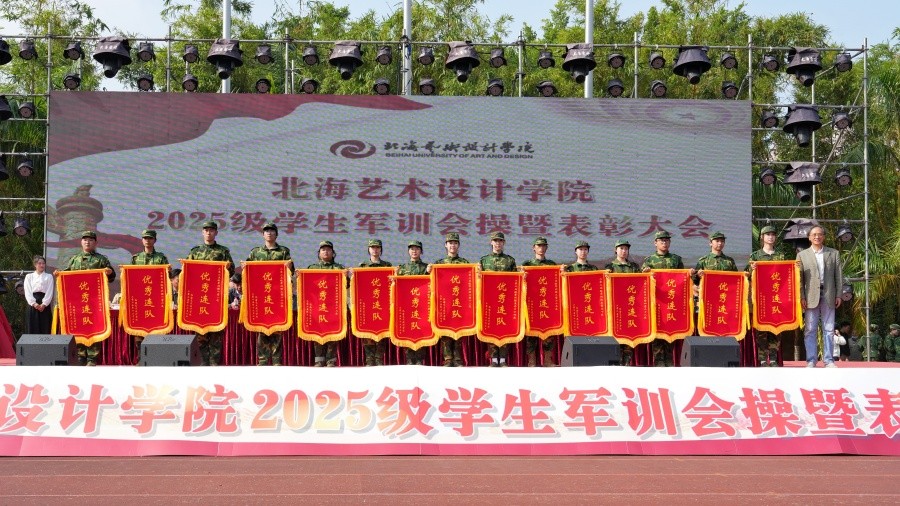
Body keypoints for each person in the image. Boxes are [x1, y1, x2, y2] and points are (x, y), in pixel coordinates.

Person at [58, 230, 115, 366]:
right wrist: (59, 274)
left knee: (94, 327)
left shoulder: (101, 260)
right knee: (79, 326)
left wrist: (110, 272)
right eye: (85, 240)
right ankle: (80, 355)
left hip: (95, 300)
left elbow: (111, 277)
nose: (87, 242)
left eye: (90, 240)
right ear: (81, 242)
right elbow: (67, 274)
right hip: (79, 301)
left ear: (95, 243)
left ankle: (92, 358)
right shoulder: (74, 259)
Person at [244, 222, 294, 366]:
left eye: (272, 231)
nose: (269, 233)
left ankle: (277, 360)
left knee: (277, 327)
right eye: (266, 231)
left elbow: (290, 273)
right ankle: (263, 359)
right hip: (261, 295)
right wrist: (245, 267)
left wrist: (289, 267)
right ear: (263, 235)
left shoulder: (283, 251)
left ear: (276, 234)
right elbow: (248, 272)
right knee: (262, 327)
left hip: (278, 295)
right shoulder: (255, 252)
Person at [186, 220, 235, 366]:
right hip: (200, 296)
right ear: (202, 232)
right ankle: (203, 362)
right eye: (206, 230)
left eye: (211, 230)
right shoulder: (195, 252)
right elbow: (188, 273)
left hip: (216, 296)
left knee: (216, 330)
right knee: (201, 330)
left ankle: (214, 363)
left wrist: (228, 267)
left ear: (216, 233)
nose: (209, 232)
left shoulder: (223, 251)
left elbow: (231, 271)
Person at [797, 225, 842, 368]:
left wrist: (839, 294)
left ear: (824, 237)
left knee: (829, 329)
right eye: (814, 234)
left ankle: (829, 360)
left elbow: (838, 276)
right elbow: (799, 279)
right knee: (810, 329)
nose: (817, 237)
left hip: (829, 294)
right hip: (810, 296)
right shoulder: (802, 255)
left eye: (820, 234)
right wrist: (801, 296)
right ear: (809, 238)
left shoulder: (833, 253)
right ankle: (811, 359)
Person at [641, 231, 687, 367]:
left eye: (666, 240)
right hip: (657, 303)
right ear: (655, 243)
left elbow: (682, 279)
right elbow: (642, 282)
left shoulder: (676, 260)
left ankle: (669, 364)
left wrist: (689, 275)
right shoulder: (649, 261)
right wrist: (645, 273)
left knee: (670, 333)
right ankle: (658, 365)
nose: (664, 243)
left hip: (672, 303)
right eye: (661, 241)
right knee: (657, 335)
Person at [747, 225, 788, 366]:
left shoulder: (780, 256)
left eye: (773, 234)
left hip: (777, 298)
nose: (770, 237)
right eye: (767, 234)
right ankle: (763, 359)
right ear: (762, 237)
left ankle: (774, 358)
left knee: (776, 328)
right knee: (762, 329)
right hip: (762, 298)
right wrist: (751, 269)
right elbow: (748, 277)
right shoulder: (755, 256)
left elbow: (786, 276)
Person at [429, 232, 469, 367]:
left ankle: (457, 359)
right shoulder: (439, 264)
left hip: (459, 301)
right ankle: (447, 358)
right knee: (445, 331)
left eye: (455, 243)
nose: (453, 245)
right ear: (446, 245)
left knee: (458, 330)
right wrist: (429, 271)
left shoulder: (464, 263)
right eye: (450, 243)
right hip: (444, 302)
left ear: (458, 245)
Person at [129, 229, 170, 362]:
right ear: (142, 240)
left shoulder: (160, 258)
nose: (147, 240)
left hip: (156, 300)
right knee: (139, 331)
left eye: (150, 238)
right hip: (140, 299)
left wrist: (168, 271)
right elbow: (131, 278)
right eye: (145, 238)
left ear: (154, 240)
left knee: (156, 329)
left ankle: (154, 358)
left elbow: (166, 278)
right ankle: (142, 358)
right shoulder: (136, 258)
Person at [479, 232, 517, 367]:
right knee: (491, 327)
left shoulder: (510, 260)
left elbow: (515, 280)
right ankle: (494, 359)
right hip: (489, 300)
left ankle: (503, 358)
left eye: (500, 241)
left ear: (504, 243)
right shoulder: (484, 261)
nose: (498, 243)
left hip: (505, 300)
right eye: (495, 241)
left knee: (504, 327)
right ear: (491, 242)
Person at [307, 240, 345, 367]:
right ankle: (319, 359)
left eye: (328, 250)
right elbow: (306, 287)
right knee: (318, 331)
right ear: (319, 253)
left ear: (333, 253)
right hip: (317, 306)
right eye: (323, 250)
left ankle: (331, 360)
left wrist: (347, 276)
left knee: (333, 332)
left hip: (334, 306)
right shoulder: (312, 268)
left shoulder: (339, 268)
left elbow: (346, 285)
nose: (326, 252)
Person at [522, 236, 558, 367]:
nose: (541, 248)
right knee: (531, 333)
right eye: (538, 246)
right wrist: (522, 276)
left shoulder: (552, 265)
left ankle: (548, 360)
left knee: (548, 332)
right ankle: (531, 360)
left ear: (546, 248)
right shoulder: (527, 264)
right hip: (532, 303)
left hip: (546, 303)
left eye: (543, 246)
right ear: (534, 248)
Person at [355, 239, 392, 366]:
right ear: (368, 249)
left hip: (382, 304)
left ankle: (379, 358)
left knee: (382, 331)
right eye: (372, 247)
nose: (375, 250)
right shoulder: (362, 266)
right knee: (368, 332)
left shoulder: (387, 266)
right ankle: (369, 359)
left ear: (381, 250)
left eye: (377, 248)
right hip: (368, 305)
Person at [604, 239, 641, 366]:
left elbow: (641, 284)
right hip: (617, 307)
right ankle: (616, 363)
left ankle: (627, 363)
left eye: (626, 249)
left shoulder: (634, 267)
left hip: (631, 306)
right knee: (617, 335)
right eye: (621, 248)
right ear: (615, 250)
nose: (624, 251)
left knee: (630, 334)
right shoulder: (610, 267)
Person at [396, 240, 429, 365]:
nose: (414, 251)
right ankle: (409, 357)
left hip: (422, 305)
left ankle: (420, 358)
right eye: (412, 249)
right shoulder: (402, 268)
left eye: (417, 249)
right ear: (408, 251)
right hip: (407, 305)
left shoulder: (426, 268)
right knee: (408, 329)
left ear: (421, 251)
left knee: (421, 329)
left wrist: (430, 272)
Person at [24, 255, 54, 335]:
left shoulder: (49, 276)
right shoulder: (29, 276)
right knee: (32, 326)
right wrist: (34, 303)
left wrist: (44, 304)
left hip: (44, 304)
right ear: (35, 265)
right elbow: (27, 291)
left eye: (43, 263)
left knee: (45, 326)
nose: (42, 265)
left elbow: (49, 291)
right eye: (39, 263)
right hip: (33, 303)